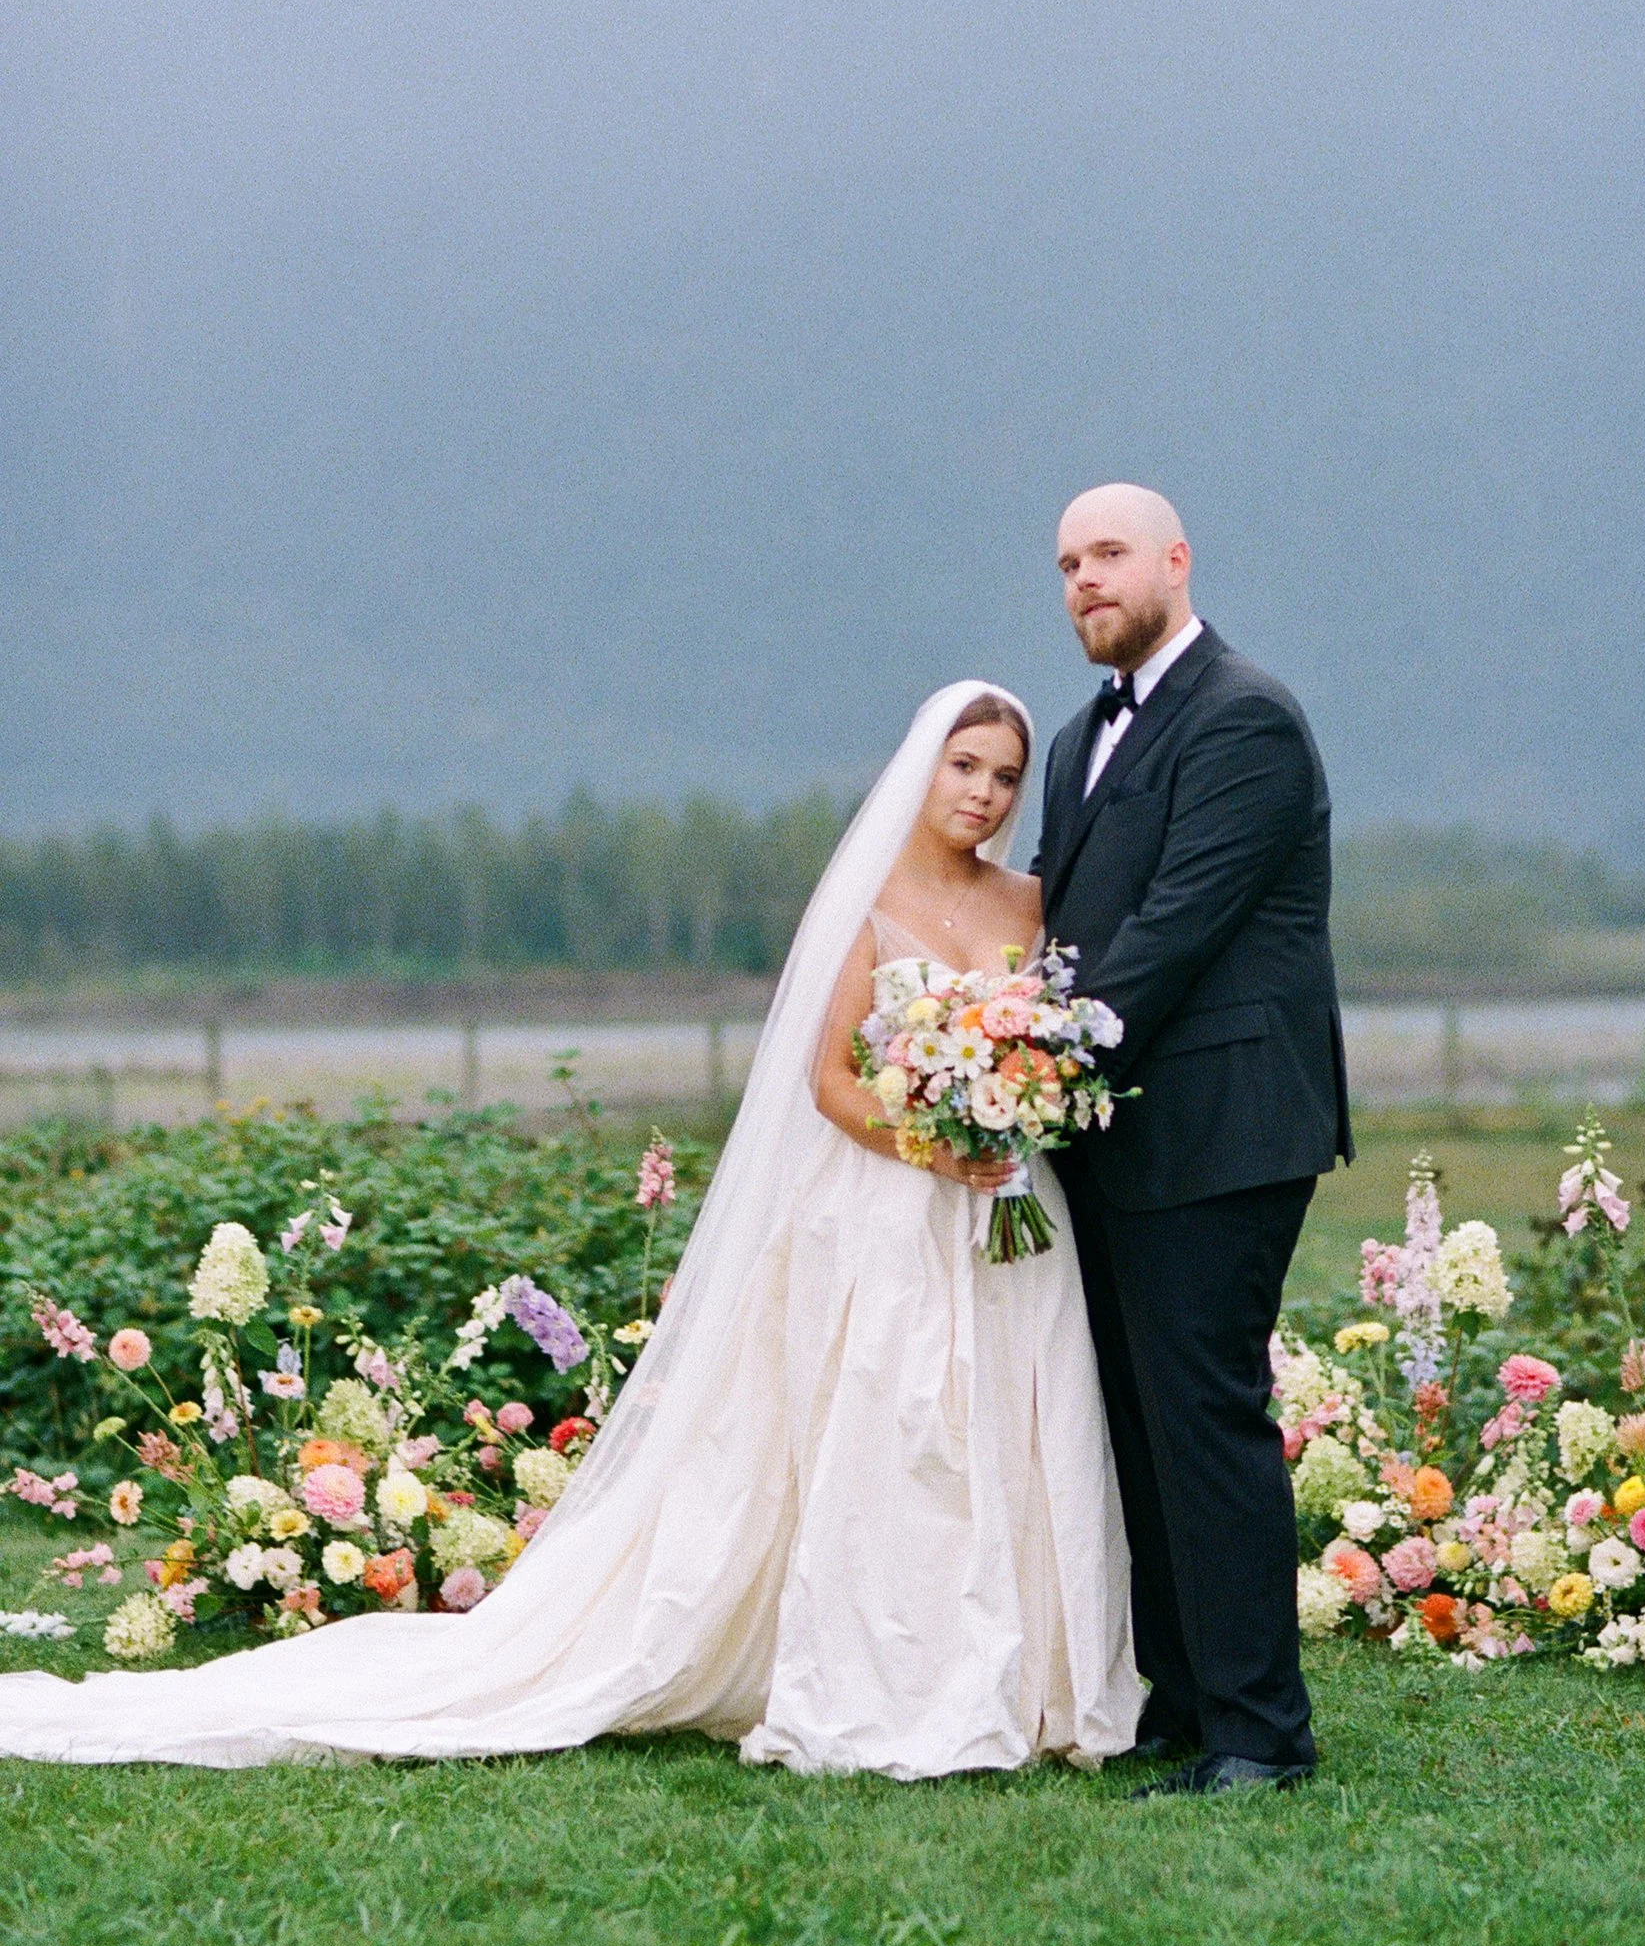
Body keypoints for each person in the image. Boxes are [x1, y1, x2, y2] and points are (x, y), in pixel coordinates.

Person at [0, 681, 1142, 1776]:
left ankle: (1019, 1673)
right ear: (921, 768)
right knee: (898, 1431)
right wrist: (933, 1143)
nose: (982, 794)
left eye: (1003, 776)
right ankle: (894, 1678)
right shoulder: (868, 900)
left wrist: (1014, 1103)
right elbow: (830, 1082)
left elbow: (1046, 1033)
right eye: (963, 767)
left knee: (1006, 1420)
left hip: (1005, 1210)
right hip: (893, 1204)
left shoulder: (1027, 906)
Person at [1035, 482, 1353, 1798]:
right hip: (1107, 1134)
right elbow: (1063, 936)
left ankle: (1259, 1735)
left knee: (1203, 1414)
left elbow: (1171, 929)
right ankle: (1176, 1696)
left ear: (1173, 560)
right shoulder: (1073, 742)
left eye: (1106, 555)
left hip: (1223, 1128)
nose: (1084, 582)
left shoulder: (1245, 719)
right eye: (1064, 566)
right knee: (1130, 1417)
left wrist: (1035, 1054)